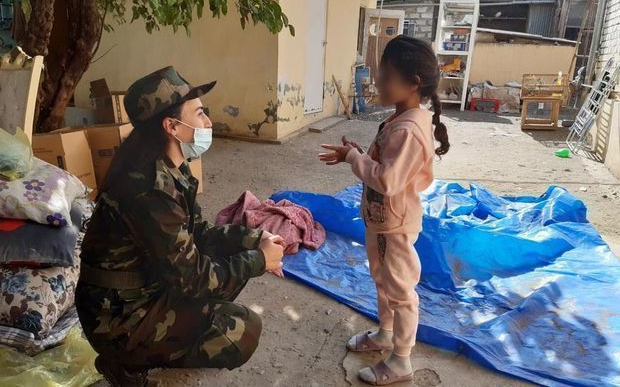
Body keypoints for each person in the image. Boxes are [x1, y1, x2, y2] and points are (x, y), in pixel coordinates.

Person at [75, 66, 285, 386]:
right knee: (242, 331)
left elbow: (197, 233)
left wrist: (254, 239)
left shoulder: (170, 168)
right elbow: (194, 278)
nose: (208, 123)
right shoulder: (148, 189)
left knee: (233, 260)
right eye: (199, 114)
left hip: (141, 289)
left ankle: (155, 344)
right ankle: (126, 362)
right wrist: (259, 260)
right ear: (172, 126)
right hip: (116, 317)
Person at [319, 36, 449, 385]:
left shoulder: (410, 130)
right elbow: (385, 164)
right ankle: (386, 334)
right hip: (381, 221)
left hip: (395, 225)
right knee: (383, 280)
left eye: (386, 75)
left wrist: (355, 158)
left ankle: (402, 360)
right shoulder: (401, 118)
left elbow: (388, 180)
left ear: (413, 83)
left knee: (401, 291)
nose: (378, 81)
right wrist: (359, 154)